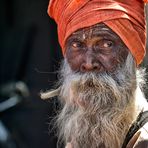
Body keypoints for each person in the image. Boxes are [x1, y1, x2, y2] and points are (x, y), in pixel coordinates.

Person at [41, 0, 148, 147]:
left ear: (132, 53)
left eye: (106, 44)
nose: (89, 63)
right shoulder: (80, 135)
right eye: (77, 45)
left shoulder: (143, 139)